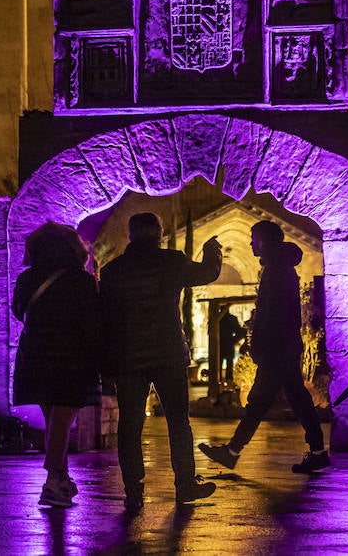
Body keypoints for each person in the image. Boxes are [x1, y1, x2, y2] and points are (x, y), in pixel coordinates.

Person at [99, 212, 223, 511]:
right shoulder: (172, 262)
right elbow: (207, 274)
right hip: (167, 355)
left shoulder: (113, 270)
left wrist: (107, 363)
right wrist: (212, 251)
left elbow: (105, 320)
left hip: (128, 358)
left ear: (130, 234)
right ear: (159, 233)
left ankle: (134, 489)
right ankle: (185, 484)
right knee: (178, 422)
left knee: (130, 425)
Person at [199, 221, 331, 474]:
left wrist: (261, 343)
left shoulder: (277, 270)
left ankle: (232, 452)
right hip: (282, 347)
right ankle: (316, 452)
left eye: (253, 238)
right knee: (288, 399)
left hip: (277, 348)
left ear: (265, 241)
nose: (250, 244)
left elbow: (275, 313)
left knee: (264, 401)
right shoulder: (278, 267)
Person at [11, 222, 101, 508]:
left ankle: (61, 479)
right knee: (62, 417)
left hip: (35, 354)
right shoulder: (82, 281)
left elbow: (17, 311)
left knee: (54, 418)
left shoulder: (27, 279)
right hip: (71, 356)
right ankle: (52, 480)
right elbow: (92, 322)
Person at [218, 311, 245, 384]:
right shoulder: (230, 319)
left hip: (221, 345)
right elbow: (240, 332)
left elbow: (240, 332)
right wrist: (233, 340)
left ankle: (225, 381)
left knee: (225, 364)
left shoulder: (217, 318)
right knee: (225, 364)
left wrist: (232, 340)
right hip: (223, 344)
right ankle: (226, 381)